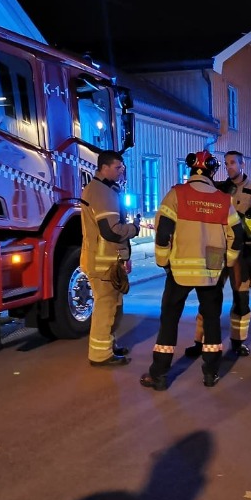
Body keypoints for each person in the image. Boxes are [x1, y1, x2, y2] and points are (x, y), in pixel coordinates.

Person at [140, 150, 244, 390]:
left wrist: (162, 260)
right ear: (211, 172)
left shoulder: (177, 194)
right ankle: (210, 373)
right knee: (211, 321)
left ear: (191, 170)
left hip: (179, 269)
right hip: (211, 267)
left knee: (169, 321)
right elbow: (236, 236)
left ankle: (159, 374)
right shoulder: (223, 199)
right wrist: (227, 262)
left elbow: (164, 230)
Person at [185, 150, 251, 358]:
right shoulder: (217, 188)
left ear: (242, 164)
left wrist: (249, 221)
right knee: (209, 295)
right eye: (226, 163)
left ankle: (238, 342)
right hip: (216, 250)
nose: (229, 167)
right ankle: (199, 340)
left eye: (232, 163)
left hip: (244, 251)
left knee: (241, 298)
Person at [80, 150, 141, 367]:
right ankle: (99, 355)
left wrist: (125, 257)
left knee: (113, 305)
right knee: (105, 306)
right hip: (103, 262)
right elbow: (111, 231)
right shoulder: (100, 192)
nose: (121, 172)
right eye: (118, 168)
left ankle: (106, 345)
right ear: (103, 167)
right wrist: (134, 229)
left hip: (109, 261)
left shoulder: (103, 190)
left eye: (122, 168)